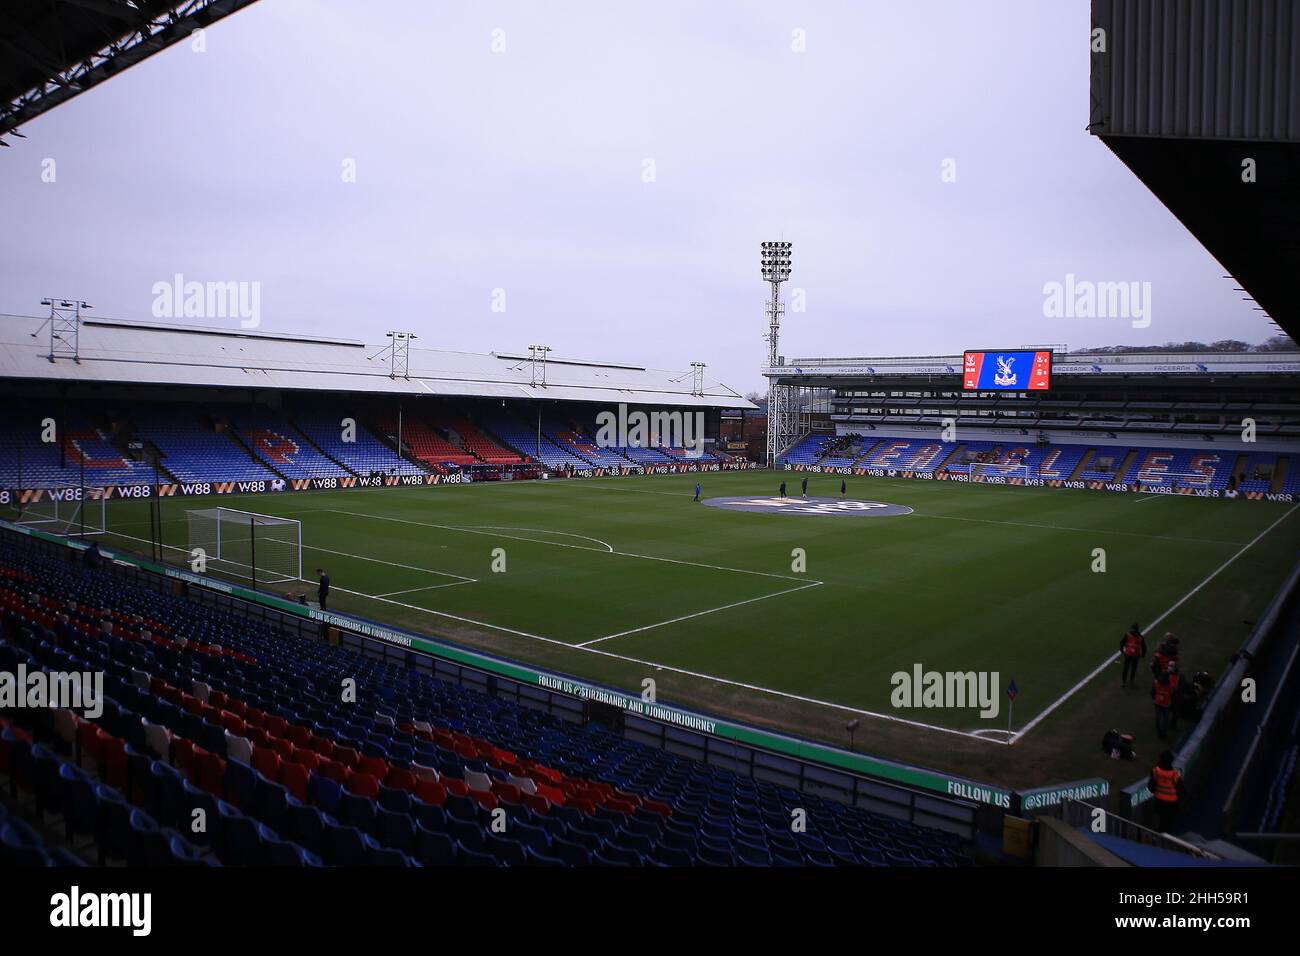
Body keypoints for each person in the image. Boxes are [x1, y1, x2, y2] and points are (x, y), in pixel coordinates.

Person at [1148, 750, 1184, 834]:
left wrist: (1158, 792)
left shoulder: (1155, 771)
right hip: (1172, 805)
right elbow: (1181, 790)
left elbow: (1151, 787)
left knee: (1160, 825)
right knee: (1169, 826)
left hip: (1159, 803)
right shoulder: (1174, 774)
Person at [1119, 623, 1146, 688]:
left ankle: (1124, 682)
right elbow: (1144, 646)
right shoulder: (1140, 637)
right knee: (1133, 668)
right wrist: (1143, 654)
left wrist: (1122, 651)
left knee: (1126, 668)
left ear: (1132, 628)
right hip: (1136, 655)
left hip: (1128, 654)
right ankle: (1131, 681)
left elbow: (1121, 643)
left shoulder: (1127, 635)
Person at [1152, 669, 1174, 740]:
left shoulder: (1157, 682)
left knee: (1159, 719)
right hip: (1164, 704)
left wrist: (1156, 697)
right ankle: (1162, 733)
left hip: (1160, 703)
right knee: (1164, 719)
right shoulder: (1169, 685)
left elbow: (1153, 692)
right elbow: (1172, 694)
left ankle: (1161, 733)